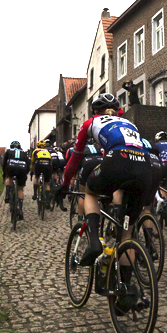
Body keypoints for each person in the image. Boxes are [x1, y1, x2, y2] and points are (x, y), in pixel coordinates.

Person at [58, 94, 152, 268]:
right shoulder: (129, 123)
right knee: (126, 236)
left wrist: (64, 185)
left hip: (117, 160)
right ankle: (126, 291)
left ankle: (94, 243)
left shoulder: (91, 122)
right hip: (145, 166)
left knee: (90, 191)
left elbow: (74, 160)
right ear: (117, 111)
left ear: (94, 111)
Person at [1, 141, 30, 220]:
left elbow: (4, 163)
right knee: (20, 189)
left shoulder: (9, 151)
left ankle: (7, 195)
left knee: (9, 178)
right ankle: (20, 209)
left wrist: (4, 173)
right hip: (22, 168)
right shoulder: (24, 153)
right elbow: (28, 165)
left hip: (11, 167)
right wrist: (25, 174)